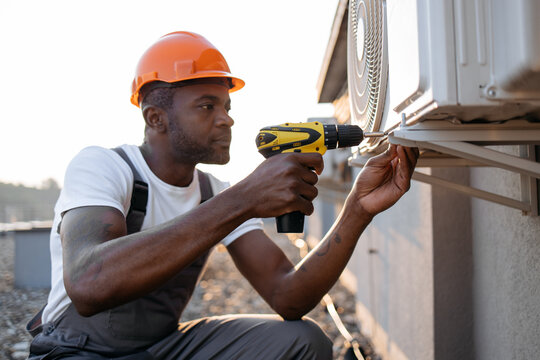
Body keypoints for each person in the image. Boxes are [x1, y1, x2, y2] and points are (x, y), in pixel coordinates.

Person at [27, 31, 418, 359]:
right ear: (156, 118)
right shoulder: (103, 167)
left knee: (304, 341)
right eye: (206, 105)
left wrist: (357, 210)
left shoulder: (215, 193)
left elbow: (289, 296)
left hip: (160, 348)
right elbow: (88, 284)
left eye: (227, 106)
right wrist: (244, 199)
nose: (227, 118)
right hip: (77, 350)